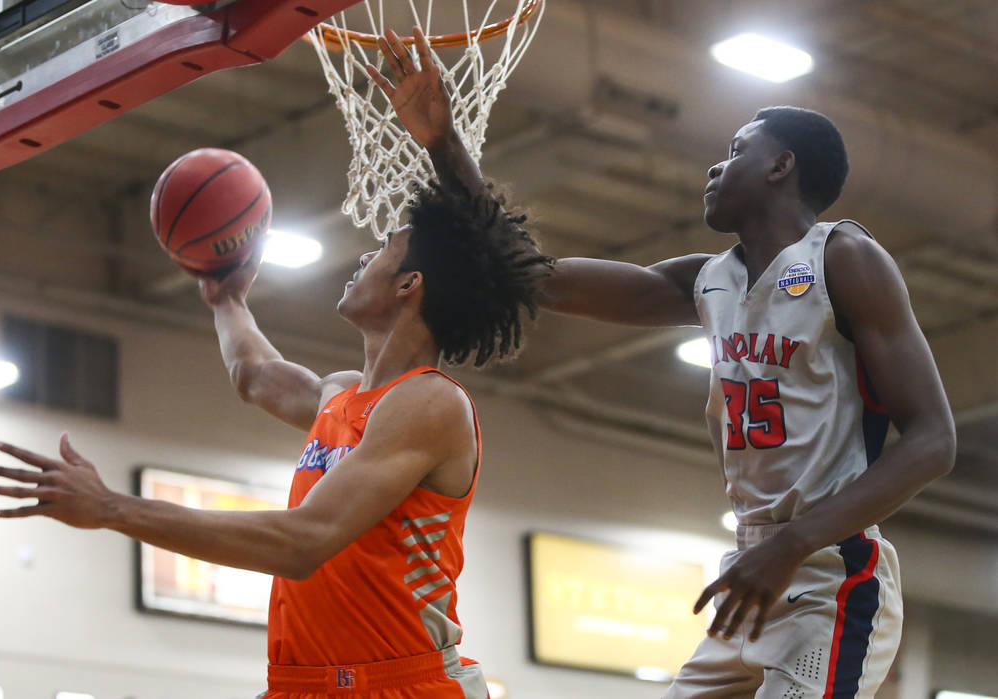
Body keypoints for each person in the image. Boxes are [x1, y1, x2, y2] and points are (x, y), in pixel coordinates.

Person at [371, 28, 956, 697]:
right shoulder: (708, 280)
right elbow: (534, 275)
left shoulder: (843, 258)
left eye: (736, 151)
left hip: (834, 571)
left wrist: (794, 543)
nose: (715, 167)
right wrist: (443, 142)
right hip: (751, 570)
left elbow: (934, 442)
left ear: (781, 167)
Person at [0, 82, 552, 696]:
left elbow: (304, 540)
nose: (364, 256)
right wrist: (227, 300)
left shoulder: (430, 402)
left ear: (410, 284)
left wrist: (114, 509)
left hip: (398, 686)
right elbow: (255, 375)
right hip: (302, 684)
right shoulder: (345, 395)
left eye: (383, 248)